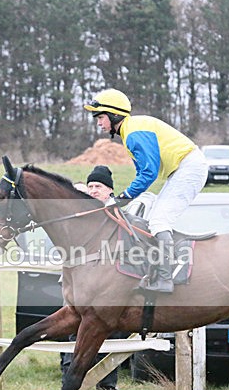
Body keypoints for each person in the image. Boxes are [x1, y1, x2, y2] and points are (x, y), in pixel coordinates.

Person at [84, 88, 208, 293]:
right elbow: (144, 171)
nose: (99, 123)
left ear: (115, 115)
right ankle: (161, 270)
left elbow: (148, 174)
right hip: (183, 168)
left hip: (189, 167)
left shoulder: (133, 133)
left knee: (160, 221)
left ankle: (165, 278)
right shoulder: (131, 130)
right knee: (155, 220)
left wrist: (123, 197)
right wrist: (124, 197)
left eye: (101, 117)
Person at [60, 165, 120, 390]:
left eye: (99, 187)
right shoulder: (82, 213)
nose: (94, 190)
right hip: (79, 287)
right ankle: (68, 385)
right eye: (91, 186)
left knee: (106, 337)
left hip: (108, 289)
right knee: (74, 335)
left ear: (109, 191)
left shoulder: (115, 212)